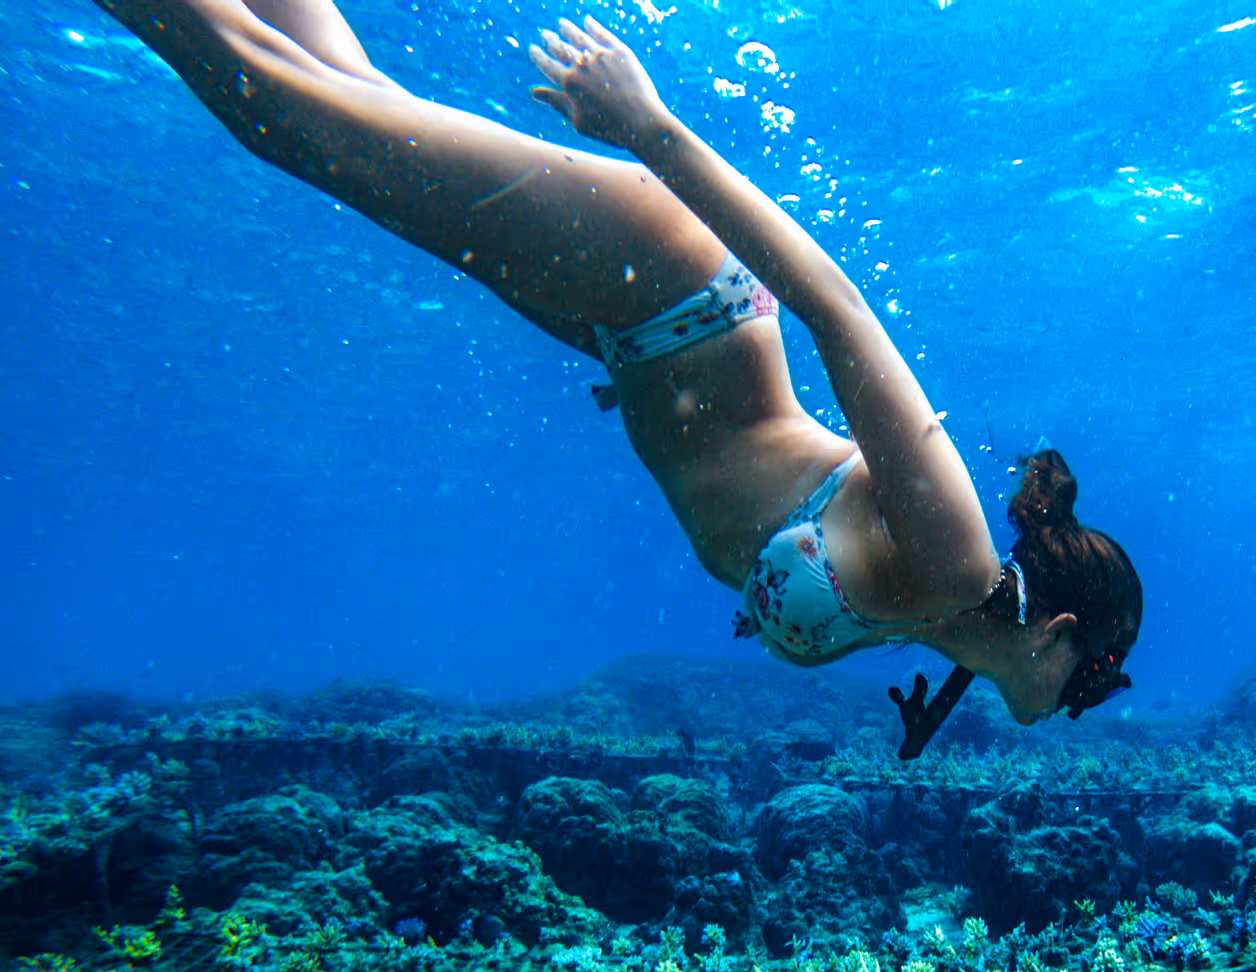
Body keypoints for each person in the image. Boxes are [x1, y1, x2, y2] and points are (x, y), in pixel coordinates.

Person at [98, 0, 1143, 755]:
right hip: (675, 290)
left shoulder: (959, 624)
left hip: (634, 340)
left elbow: (963, 637)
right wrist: (652, 129)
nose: (1084, 706)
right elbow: (838, 309)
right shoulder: (958, 563)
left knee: (344, 104)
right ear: (1057, 635)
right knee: (282, 116)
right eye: (1090, 683)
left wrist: (931, 719)